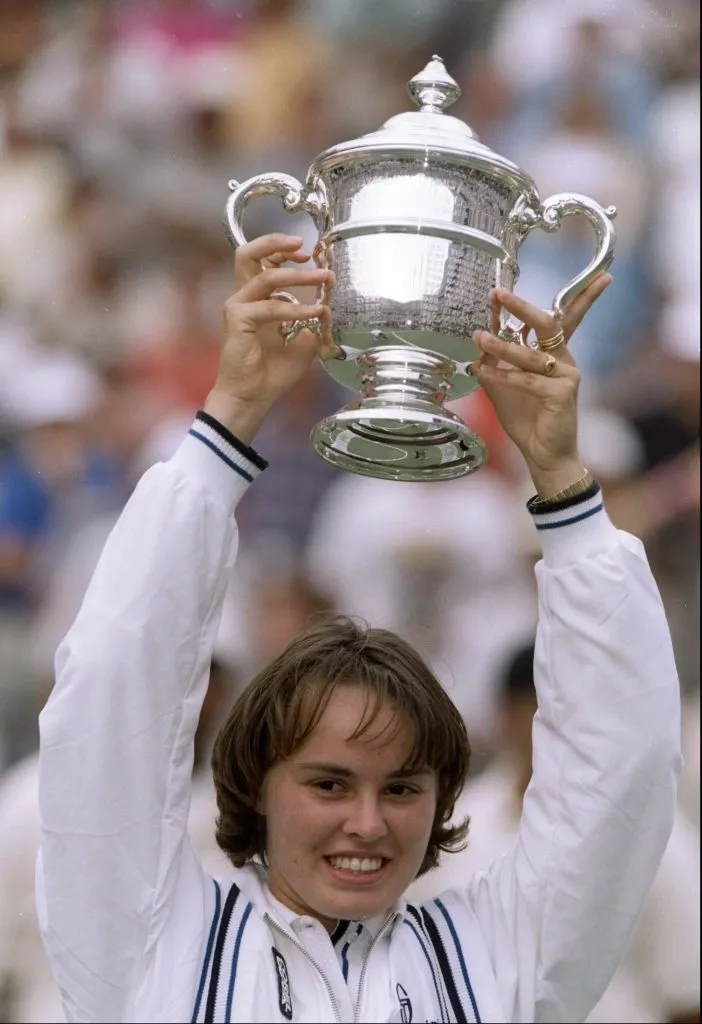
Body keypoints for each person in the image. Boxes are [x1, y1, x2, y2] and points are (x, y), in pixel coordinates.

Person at [36, 233, 681, 1023]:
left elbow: (626, 764)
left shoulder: (500, 957)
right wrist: (231, 416)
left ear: (444, 799)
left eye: (403, 788)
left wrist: (559, 477)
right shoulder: (149, 942)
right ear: (256, 785)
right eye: (329, 782)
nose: (368, 824)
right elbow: (112, 683)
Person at [407, 643, 700, 1024]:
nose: (551, 730)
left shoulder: (653, 833)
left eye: (568, 711)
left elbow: (688, 996)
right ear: (504, 717)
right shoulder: (452, 830)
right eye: (535, 709)